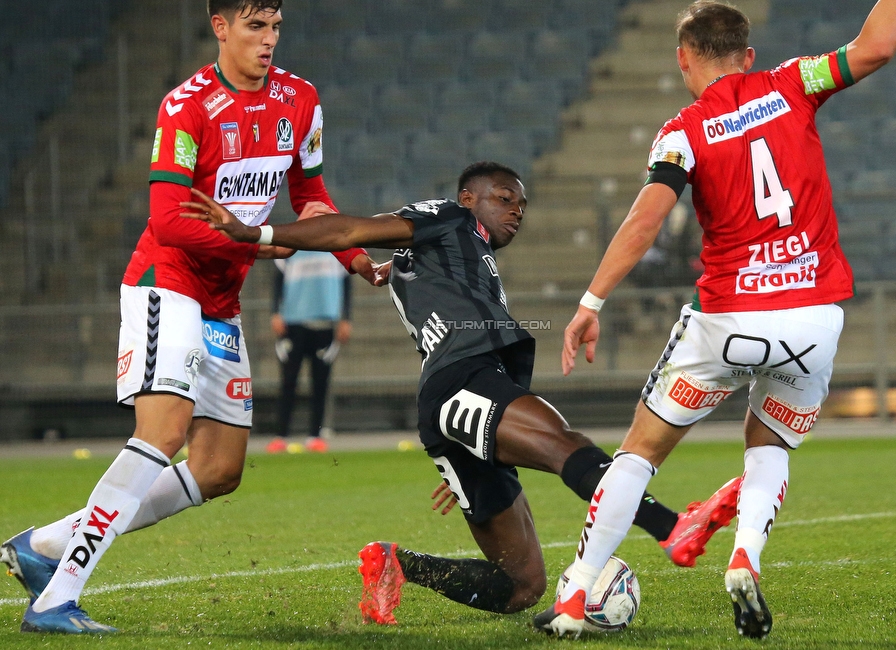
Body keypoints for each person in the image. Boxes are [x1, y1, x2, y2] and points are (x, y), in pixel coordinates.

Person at [182, 161, 741, 625]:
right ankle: (672, 528)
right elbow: (347, 230)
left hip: (463, 401)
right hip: (461, 381)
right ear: (468, 198)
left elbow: (368, 257)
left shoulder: (461, 261)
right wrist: (255, 232)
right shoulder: (445, 219)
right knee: (565, 444)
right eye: (503, 198)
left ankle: (396, 564)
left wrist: (477, 444)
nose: (515, 210)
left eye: (521, 204)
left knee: (521, 586)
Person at [533, 0, 896, 639]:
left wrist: (590, 303)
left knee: (638, 455)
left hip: (727, 323)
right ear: (748, 56)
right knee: (770, 447)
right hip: (812, 322)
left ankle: (575, 595)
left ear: (683, 60)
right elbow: (875, 47)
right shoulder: (794, 82)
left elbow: (647, 218)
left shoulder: (683, 130)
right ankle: (746, 557)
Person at [0, 0, 379, 634]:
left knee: (219, 469)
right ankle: (54, 600)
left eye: (276, 26)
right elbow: (170, 222)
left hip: (221, 301)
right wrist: (261, 242)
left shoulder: (301, 100)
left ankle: (39, 548)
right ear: (221, 26)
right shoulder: (186, 106)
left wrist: (355, 255)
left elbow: (310, 196)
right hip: (164, 285)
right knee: (164, 433)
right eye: (255, 26)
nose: (269, 40)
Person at [266, 251, 352, 453]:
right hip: (293, 323)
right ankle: (281, 435)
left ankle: (315, 435)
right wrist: (275, 313)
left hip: (325, 322)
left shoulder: (335, 248)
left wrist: (346, 318)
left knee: (320, 382)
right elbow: (277, 280)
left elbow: (347, 283)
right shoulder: (290, 247)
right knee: (288, 381)